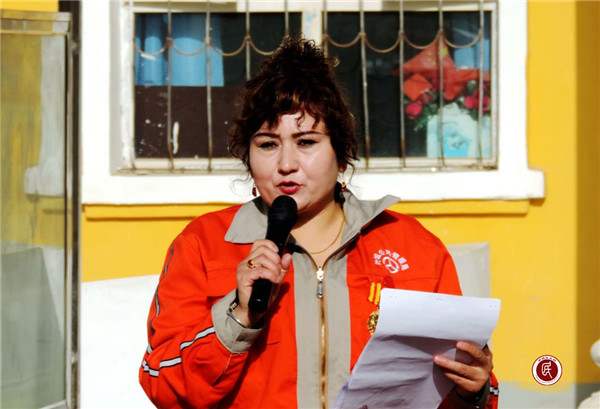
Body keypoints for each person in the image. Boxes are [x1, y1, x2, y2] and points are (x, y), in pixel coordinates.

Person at [139, 37, 497, 409]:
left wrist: (473, 391)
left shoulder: (412, 246)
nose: (286, 164)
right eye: (267, 144)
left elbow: (461, 384)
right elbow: (161, 383)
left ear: (341, 154)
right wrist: (240, 315)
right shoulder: (204, 244)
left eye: (306, 142)